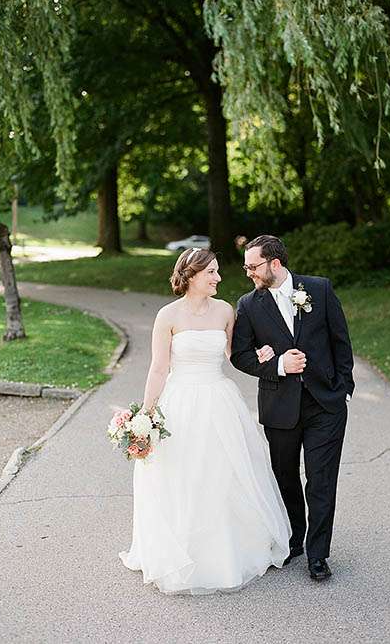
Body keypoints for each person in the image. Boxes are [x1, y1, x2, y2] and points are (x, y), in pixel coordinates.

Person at [119, 247, 291, 594]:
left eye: (217, 271)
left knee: (223, 472)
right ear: (191, 276)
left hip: (219, 400)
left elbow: (232, 354)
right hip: (179, 401)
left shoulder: (226, 311)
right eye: (211, 272)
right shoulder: (167, 316)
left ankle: (228, 548)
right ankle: (184, 549)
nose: (218, 278)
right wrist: (145, 416)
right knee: (183, 474)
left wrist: (259, 356)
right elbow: (158, 368)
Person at [230, 235, 354, 581]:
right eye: (245, 267)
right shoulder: (248, 305)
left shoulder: (320, 289)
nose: (248, 273)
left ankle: (318, 554)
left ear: (275, 264)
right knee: (285, 476)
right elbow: (240, 356)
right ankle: (294, 537)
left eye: (252, 266)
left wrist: (344, 389)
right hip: (279, 407)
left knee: (321, 480)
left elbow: (341, 341)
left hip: (325, 404)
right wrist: (279, 365)